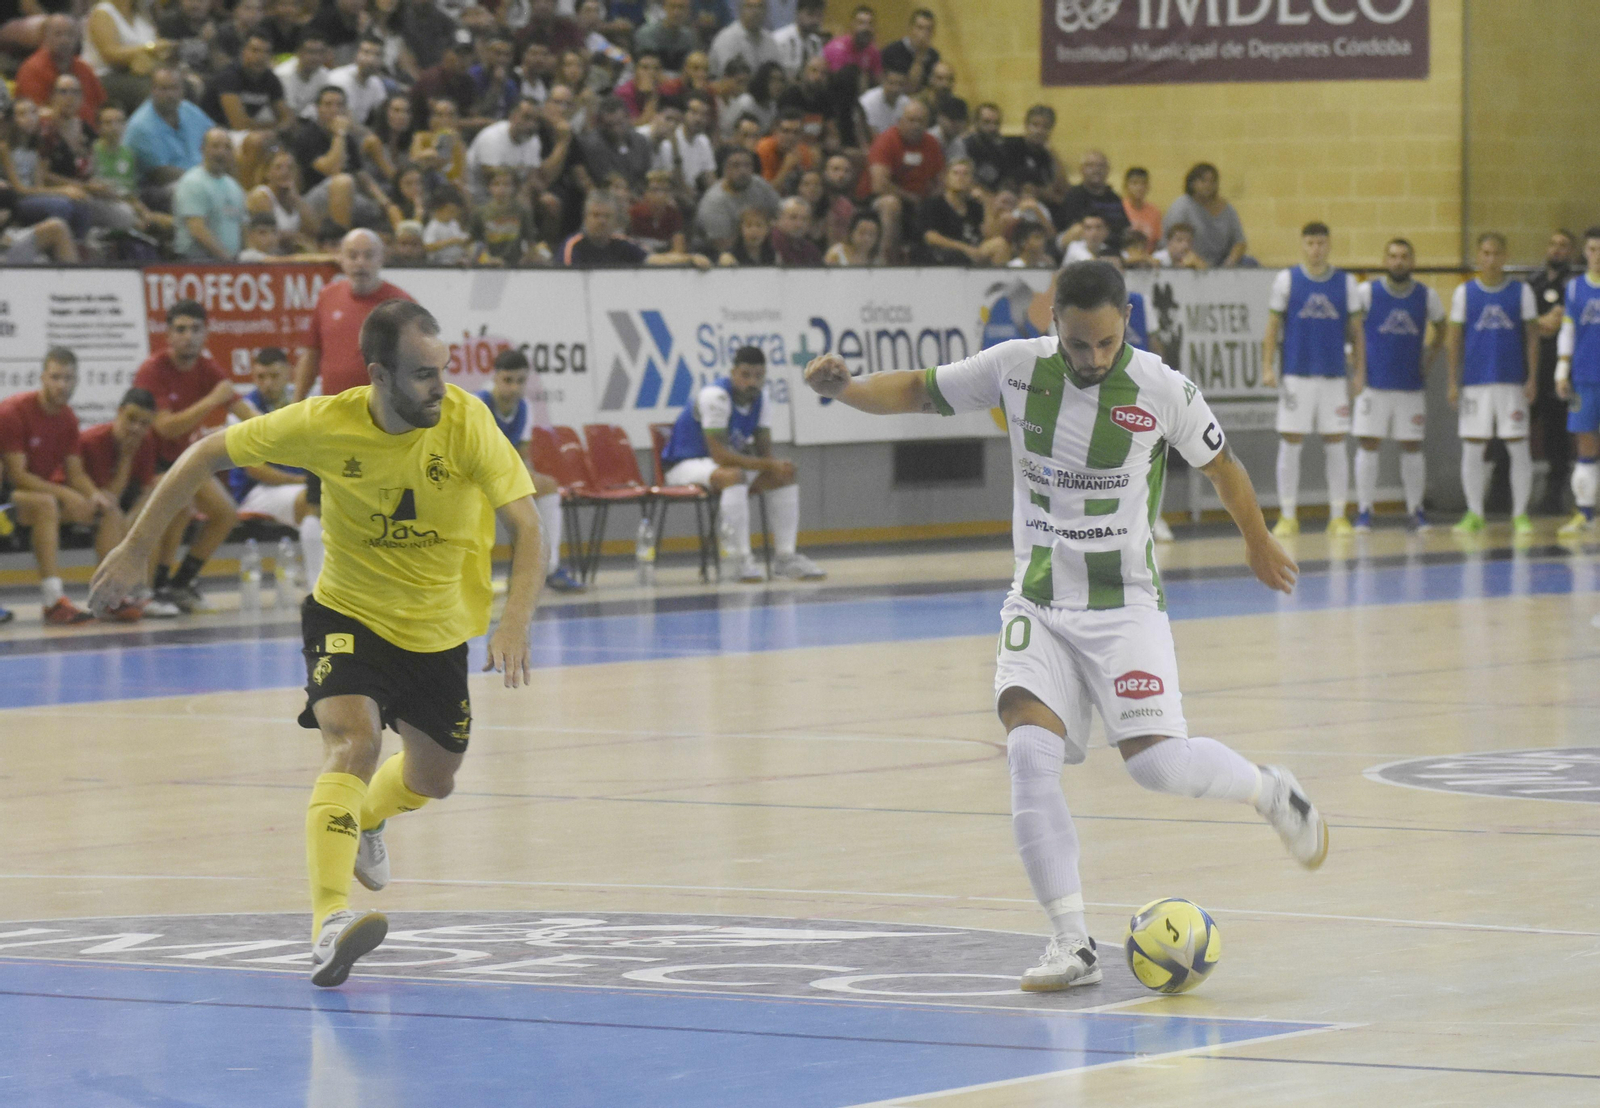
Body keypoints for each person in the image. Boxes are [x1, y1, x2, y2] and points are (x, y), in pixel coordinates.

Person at [801, 259, 1326, 991]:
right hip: (1038, 602)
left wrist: (1256, 538)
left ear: (1126, 326)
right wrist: (847, 390)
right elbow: (920, 390)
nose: (1092, 359)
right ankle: (1071, 943)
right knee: (1027, 756)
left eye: (1106, 344)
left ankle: (1271, 791)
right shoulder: (1015, 368)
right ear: (1055, 326)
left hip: (1125, 606)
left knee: (1157, 766)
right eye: (1079, 345)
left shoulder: (1163, 388)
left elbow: (1224, 465)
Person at [90, 298, 545, 989]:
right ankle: (330, 925)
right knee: (353, 743)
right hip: (348, 612)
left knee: (435, 777)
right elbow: (202, 454)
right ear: (379, 375)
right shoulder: (324, 423)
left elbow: (529, 526)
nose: (440, 387)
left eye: (444, 370)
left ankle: (364, 819)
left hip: (437, 629)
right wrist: (134, 546)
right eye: (423, 375)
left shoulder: (467, 422)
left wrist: (515, 619)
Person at [295, 229, 415, 585]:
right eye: (353, 255)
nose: (360, 263)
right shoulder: (327, 297)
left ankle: (394, 580)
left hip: (382, 424)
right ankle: (321, 588)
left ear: (382, 258)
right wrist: (299, 401)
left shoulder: (400, 305)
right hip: (331, 421)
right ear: (341, 259)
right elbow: (312, 353)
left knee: (391, 505)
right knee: (318, 504)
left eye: (368, 255)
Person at [133, 299, 257, 612]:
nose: (188, 335)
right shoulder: (154, 369)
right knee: (180, 506)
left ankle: (181, 582)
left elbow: (246, 412)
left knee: (226, 513)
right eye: (181, 329)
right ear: (169, 335)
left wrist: (281, 429)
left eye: (195, 329)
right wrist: (212, 400)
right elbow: (166, 429)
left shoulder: (206, 367)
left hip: (183, 462)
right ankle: (156, 584)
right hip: (148, 463)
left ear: (206, 333)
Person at [660, 345, 824, 582]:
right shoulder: (715, 396)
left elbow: (764, 453)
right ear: (733, 373)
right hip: (683, 465)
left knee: (785, 474)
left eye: (758, 376)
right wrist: (768, 465)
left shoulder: (762, 399)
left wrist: (776, 466)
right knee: (734, 475)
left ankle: (785, 558)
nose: (752, 382)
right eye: (745, 375)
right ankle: (738, 559)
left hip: (721, 468)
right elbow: (720, 456)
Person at [0, 348, 129, 624]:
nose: (62, 385)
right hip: (8, 498)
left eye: (68, 378)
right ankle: (52, 600)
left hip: (38, 495)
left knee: (106, 509)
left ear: (77, 380)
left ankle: (110, 596)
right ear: (43, 378)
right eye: (56, 377)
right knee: (46, 505)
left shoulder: (68, 418)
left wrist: (93, 495)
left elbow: (76, 472)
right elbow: (17, 476)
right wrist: (64, 493)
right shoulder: (13, 412)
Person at [1262, 222, 1364, 536]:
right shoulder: (1287, 280)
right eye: (1310, 243)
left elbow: (1358, 332)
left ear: (1329, 244)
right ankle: (1288, 515)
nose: (1316, 249)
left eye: (1321, 243)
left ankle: (1338, 514)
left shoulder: (1346, 283)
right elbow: (1272, 327)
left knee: (1335, 444)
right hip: (1297, 373)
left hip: (1334, 375)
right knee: (1291, 443)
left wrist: (1360, 372)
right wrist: (1268, 366)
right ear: (1303, 245)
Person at [1447, 232, 1539, 535]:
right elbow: (1454, 339)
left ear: (1505, 256)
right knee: (1473, 447)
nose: (1491, 259)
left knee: (1518, 446)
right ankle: (1474, 512)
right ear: (1478, 256)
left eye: (1496, 253)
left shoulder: (1521, 292)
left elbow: (1532, 338)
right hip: (1475, 381)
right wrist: (1451, 380)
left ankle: (1520, 514)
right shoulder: (1464, 293)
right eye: (1485, 253)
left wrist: (1533, 377)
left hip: (1512, 380)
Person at [1351, 238, 1444, 532]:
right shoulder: (1367, 292)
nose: (1398, 261)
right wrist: (1357, 366)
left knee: (1412, 446)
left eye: (1404, 256)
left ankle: (1415, 510)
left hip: (1410, 385)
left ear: (1412, 261)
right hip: (1374, 385)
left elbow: (1442, 328)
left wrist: (1429, 357)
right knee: (1368, 444)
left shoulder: (1427, 296)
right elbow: (1351, 329)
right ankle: (1365, 510)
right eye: (1392, 256)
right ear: (1385, 260)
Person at [477, 349, 584, 591]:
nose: (514, 388)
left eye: (520, 381)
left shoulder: (524, 408)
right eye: (508, 380)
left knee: (547, 485)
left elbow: (521, 455)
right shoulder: (478, 404)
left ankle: (549, 567)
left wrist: (524, 478)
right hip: (472, 477)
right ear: (495, 378)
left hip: (501, 476)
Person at [199, 29, 289, 187]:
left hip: (245, 132)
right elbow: (238, 123)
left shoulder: (271, 79)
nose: (260, 57)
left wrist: (275, 130)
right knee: (257, 141)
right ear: (243, 51)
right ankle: (245, 194)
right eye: (255, 50)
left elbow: (288, 119)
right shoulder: (229, 76)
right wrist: (271, 128)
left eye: (266, 52)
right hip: (216, 132)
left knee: (283, 151)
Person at [1556, 226, 1600, 536]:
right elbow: (1568, 331)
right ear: (1585, 253)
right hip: (1585, 377)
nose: (1597, 256)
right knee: (1585, 444)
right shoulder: (1574, 289)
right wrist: (1562, 370)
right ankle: (1585, 512)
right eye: (1593, 250)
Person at [1530, 229, 1576, 514]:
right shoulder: (1532, 282)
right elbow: (1526, 319)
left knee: (1556, 433)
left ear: (1570, 252)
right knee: (1517, 428)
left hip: (1560, 366)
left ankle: (1554, 493)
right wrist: (1538, 321)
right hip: (1532, 366)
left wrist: (1549, 321)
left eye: (1563, 246)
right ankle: (1502, 490)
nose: (1557, 250)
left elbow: (1560, 320)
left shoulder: (1573, 283)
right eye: (1553, 244)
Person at [867, 98, 943, 262]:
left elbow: (940, 180)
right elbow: (879, 185)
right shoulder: (886, 141)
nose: (916, 125)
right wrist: (910, 197)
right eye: (911, 120)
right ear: (899, 121)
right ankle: (887, 260)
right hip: (881, 200)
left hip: (921, 200)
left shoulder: (931, 143)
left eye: (921, 121)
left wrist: (934, 199)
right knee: (891, 204)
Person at [123, 66, 211, 197]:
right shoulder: (141, 126)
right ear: (152, 90)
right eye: (164, 89)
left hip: (201, 174)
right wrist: (207, 179)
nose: (170, 95)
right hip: (161, 188)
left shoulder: (189, 110)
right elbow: (162, 174)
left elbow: (214, 134)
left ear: (182, 90)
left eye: (175, 88)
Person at [15, 14, 107, 124]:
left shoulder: (84, 68)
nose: (65, 40)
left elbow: (102, 106)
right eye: (58, 34)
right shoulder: (31, 70)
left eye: (70, 34)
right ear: (45, 37)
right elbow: (32, 116)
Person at [172, 128, 247, 259]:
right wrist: (226, 259)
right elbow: (197, 228)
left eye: (227, 147)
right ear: (202, 149)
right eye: (215, 146)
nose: (221, 152)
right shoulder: (193, 182)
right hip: (196, 264)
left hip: (229, 264)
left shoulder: (234, 187)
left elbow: (242, 227)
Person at [920, 157, 1007, 267]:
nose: (960, 178)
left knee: (1000, 244)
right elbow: (930, 237)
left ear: (972, 180)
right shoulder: (934, 204)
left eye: (965, 174)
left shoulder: (975, 206)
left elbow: (990, 234)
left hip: (974, 250)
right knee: (957, 256)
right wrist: (964, 248)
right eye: (955, 173)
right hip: (947, 252)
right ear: (946, 178)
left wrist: (986, 204)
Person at [695, 147, 780, 256]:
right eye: (736, 166)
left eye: (747, 165)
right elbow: (721, 245)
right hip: (722, 259)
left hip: (761, 249)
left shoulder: (758, 184)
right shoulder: (714, 202)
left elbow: (780, 212)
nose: (743, 171)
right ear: (725, 170)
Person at [1163, 162, 1247, 269]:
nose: (1208, 185)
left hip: (1222, 264)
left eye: (1212, 181)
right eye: (1203, 181)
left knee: (1250, 262)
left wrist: (1229, 263)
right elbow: (1171, 243)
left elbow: (1240, 241)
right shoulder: (1181, 207)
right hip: (1189, 263)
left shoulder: (1227, 209)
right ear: (1192, 183)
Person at [1056, 149, 1128, 251]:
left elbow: (1124, 228)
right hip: (1083, 248)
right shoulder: (1074, 195)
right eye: (1090, 165)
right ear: (1082, 169)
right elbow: (1075, 230)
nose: (1096, 170)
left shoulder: (1114, 198)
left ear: (1108, 170)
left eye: (1100, 166)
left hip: (1114, 248)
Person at [709, 0, 783, 78]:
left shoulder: (770, 41)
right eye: (749, 7)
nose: (756, 12)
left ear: (767, 11)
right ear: (740, 9)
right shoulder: (726, 40)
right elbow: (729, 77)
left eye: (760, 7)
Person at [636, 0, 703, 74]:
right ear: (664, 7)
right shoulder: (646, 34)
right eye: (672, 6)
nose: (676, 12)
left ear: (688, 11)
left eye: (681, 7)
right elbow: (642, 67)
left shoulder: (690, 37)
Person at [880, 8, 938, 93]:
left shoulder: (933, 55)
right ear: (911, 28)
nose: (923, 33)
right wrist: (919, 57)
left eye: (928, 29)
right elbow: (909, 89)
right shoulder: (892, 51)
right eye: (920, 28)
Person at [823, 4, 880, 84]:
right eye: (861, 23)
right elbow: (836, 83)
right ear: (852, 25)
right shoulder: (837, 48)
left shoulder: (873, 51)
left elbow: (877, 80)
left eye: (870, 24)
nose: (866, 28)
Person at [772, 0, 825, 79]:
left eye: (818, 15)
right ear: (798, 13)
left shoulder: (816, 43)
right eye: (810, 14)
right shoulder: (779, 39)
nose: (815, 20)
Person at [856, 64, 907, 137]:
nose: (895, 88)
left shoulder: (906, 103)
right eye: (891, 83)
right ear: (883, 81)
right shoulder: (867, 101)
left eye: (900, 84)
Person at [770, 196, 822, 266]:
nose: (799, 224)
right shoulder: (769, 245)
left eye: (804, 219)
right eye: (793, 218)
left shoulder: (811, 250)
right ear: (779, 218)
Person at [1121, 167, 1161, 247]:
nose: (1139, 187)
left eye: (1143, 183)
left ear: (1148, 187)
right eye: (1134, 183)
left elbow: (1157, 241)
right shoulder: (1119, 209)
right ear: (1126, 186)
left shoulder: (1154, 211)